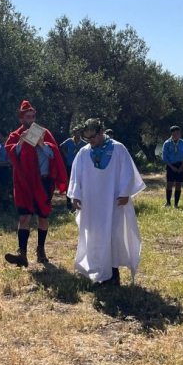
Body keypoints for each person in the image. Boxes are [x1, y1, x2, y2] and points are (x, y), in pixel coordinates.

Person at [68, 118, 145, 286]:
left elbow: (128, 172)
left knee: (113, 235)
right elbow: (75, 176)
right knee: (95, 236)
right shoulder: (84, 153)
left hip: (113, 202)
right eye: (87, 137)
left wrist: (125, 192)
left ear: (101, 131)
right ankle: (99, 271)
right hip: (92, 203)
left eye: (93, 136)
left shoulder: (118, 149)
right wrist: (75, 195)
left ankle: (113, 273)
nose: (90, 140)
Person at [4, 100, 67, 267]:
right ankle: (22, 253)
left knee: (42, 217)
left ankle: (41, 250)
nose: (32, 120)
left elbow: (54, 155)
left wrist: (42, 144)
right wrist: (20, 142)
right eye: (28, 117)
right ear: (21, 119)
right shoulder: (15, 136)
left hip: (44, 182)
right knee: (24, 217)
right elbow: (11, 156)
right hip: (24, 183)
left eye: (33, 116)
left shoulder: (44, 133)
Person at [60, 126, 86, 210]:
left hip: (80, 165)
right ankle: (68, 202)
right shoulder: (69, 141)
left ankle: (79, 200)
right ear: (73, 133)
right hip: (70, 164)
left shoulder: (84, 143)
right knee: (69, 182)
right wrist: (66, 154)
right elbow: (61, 146)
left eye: (79, 132)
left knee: (79, 182)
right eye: (76, 132)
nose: (77, 134)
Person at [161, 125, 183, 208]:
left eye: (178, 133)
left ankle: (176, 203)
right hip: (171, 165)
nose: (177, 134)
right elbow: (164, 157)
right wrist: (172, 167)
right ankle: (168, 202)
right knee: (169, 184)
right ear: (172, 133)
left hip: (180, 164)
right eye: (175, 133)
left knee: (178, 184)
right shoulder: (167, 143)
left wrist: (181, 167)